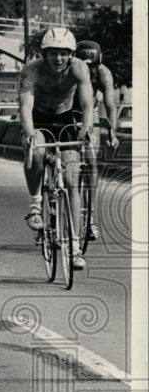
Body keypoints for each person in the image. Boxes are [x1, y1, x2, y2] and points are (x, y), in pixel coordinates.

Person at [19, 28, 95, 270]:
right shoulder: (32, 70)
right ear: (45, 54)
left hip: (65, 120)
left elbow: (87, 104)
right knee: (37, 151)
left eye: (63, 54)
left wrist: (86, 129)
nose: (58, 59)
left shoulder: (79, 69)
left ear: (71, 54)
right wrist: (30, 133)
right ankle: (34, 205)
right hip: (38, 119)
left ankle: (74, 247)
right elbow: (25, 105)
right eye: (53, 54)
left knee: (72, 178)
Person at [74, 40, 120, 241]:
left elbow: (110, 105)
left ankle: (90, 217)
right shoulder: (70, 68)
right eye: (84, 66)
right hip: (66, 109)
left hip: (89, 111)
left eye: (91, 67)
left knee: (92, 160)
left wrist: (112, 131)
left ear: (98, 64)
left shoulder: (104, 74)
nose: (88, 71)